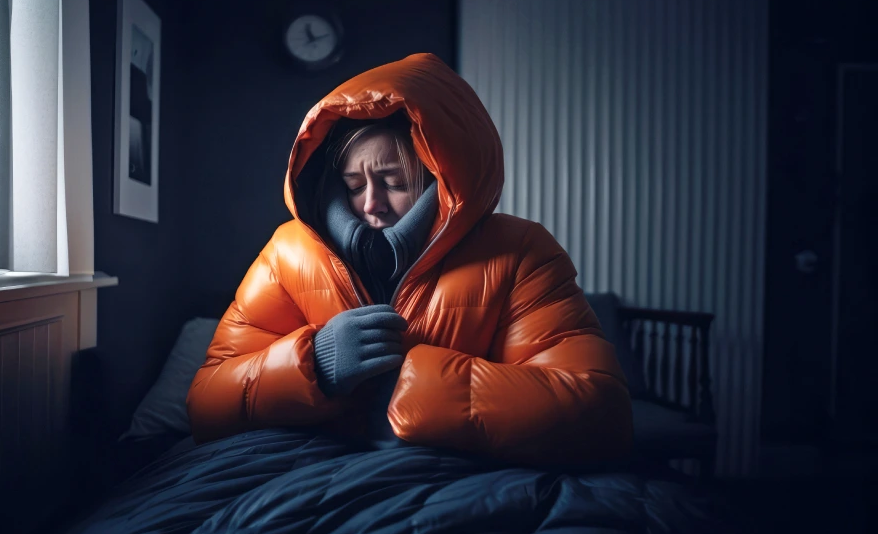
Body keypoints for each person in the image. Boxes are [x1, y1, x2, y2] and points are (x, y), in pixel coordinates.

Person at [187, 53, 632, 466]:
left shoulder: (519, 251)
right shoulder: (287, 252)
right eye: (354, 184)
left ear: (442, 177)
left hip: (465, 480)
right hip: (312, 472)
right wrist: (313, 366)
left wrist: (419, 384)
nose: (371, 205)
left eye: (393, 182)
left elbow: (598, 409)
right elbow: (206, 404)